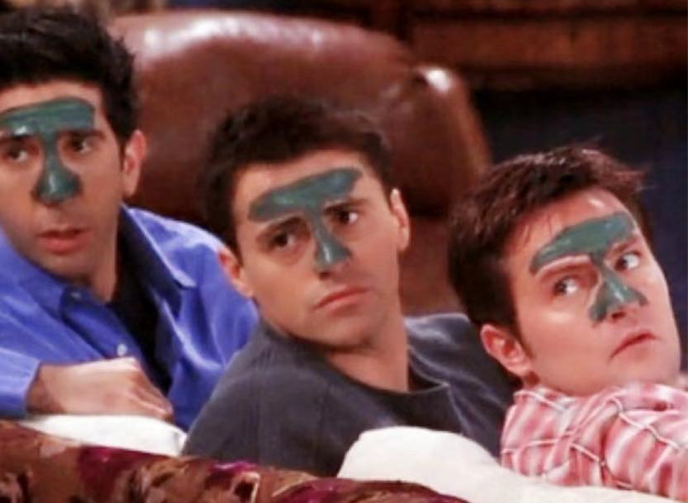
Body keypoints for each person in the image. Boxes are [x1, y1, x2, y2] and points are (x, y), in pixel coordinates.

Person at [0, 6, 256, 430]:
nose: (55, 189)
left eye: (79, 145)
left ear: (130, 161)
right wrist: (40, 384)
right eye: (17, 153)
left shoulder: (207, 267)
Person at [184, 96, 513, 477]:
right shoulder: (256, 421)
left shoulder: (470, 346)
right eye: (284, 239)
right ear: (237, 271)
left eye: (346, 216)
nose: (330, 258)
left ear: (399, 218)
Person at [448, 146, 687, 501]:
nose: (621, 299)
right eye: (566, 286)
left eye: (627, 260)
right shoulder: (603, 427)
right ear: (509, 348)